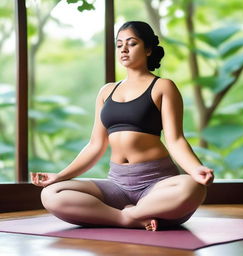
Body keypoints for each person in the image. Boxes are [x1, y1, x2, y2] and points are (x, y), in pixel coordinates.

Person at [31, 21, 214, 231]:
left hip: (157, 185)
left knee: (193, 188)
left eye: (132, 43)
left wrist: (195, 169)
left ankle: (135, 212)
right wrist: (59, 176)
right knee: (51, 194)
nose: (124, 49)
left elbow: (175, 140)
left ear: (148, 50)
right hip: (116, 185)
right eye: (119, 45)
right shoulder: (106, 91)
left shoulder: (163, 86)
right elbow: (94, 145)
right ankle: (125, 218)